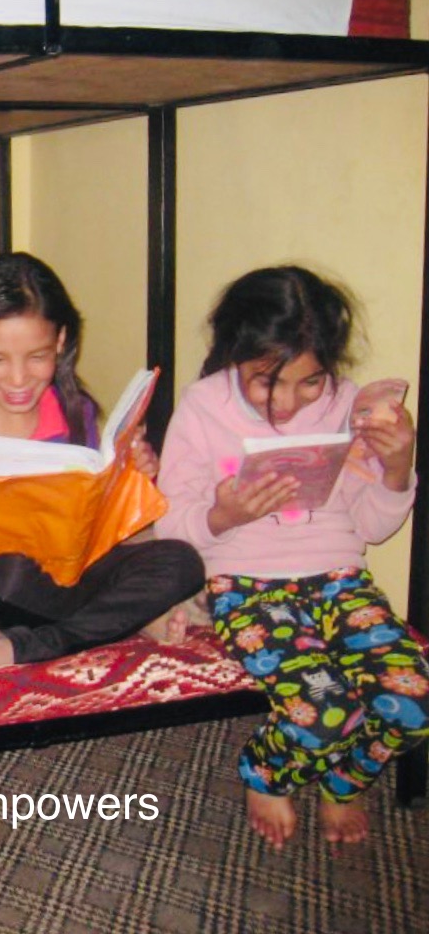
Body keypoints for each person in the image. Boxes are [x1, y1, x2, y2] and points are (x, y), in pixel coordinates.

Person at [155, 264, 429, 850]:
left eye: (309, 383)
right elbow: (169, 526)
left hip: (340, 578)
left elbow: (372, 526)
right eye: (266, 382)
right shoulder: (203, 406)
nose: (287, 402)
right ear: (235, 355)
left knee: (412, 701)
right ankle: (266, 772)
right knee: (325, 709)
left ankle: (344, 781)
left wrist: (398, 467)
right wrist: (224, 515)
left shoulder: (347, 404)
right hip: (247, 583)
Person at [0, 251, 204, 673]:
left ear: (60, 341)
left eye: (37, 357)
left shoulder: (76, 412)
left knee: (181, 561)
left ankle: (29, 645)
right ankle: (118, 620)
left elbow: (99, 530)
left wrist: (131, 480)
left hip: (68, 574)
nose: (18, 379)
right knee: (10, 571)